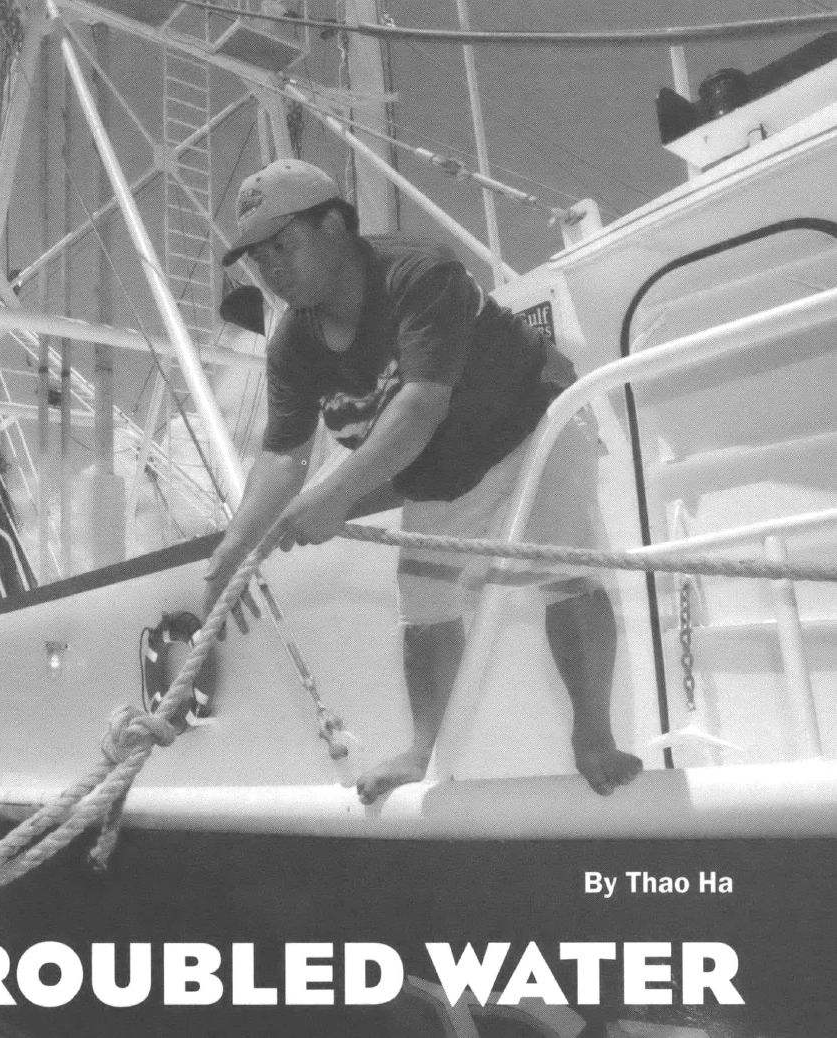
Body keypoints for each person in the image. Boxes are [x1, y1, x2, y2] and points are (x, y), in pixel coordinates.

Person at [202, 158, 641, 801]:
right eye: (256, 258)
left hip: (531, 422)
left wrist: (335, 497)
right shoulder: (292, 346)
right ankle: (420, 750)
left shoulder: (418, 273)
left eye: (281, 246)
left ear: (333, 226)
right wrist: (231, 549)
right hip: (439, 468)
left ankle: (594, 740)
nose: (269, 269)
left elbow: (419, 406)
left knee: (567, 576)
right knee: (425, 610)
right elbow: (282, 456)